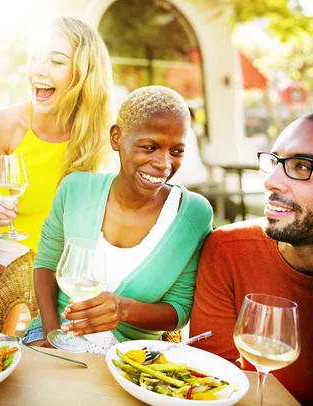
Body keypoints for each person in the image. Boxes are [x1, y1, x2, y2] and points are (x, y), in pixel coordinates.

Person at [0, 16, 114, 332]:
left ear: (82, 74)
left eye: (56, 61)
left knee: (10, 334)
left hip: (37, 240)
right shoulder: (4, 124)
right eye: (34, 58)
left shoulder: (98, 136)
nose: (38, 70)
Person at [26, 86, 213, 353]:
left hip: (129, 353)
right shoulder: (76, 189)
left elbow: (180, 310)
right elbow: (46, 263)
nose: (163, 163)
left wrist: (123, 310)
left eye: (177, 151)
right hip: (54, 330)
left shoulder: (193, 215)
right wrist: (51, 334)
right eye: (150, 147)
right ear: (117, 138)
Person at [189, 113, 313, 405]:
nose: (272, 181)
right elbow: (211, 383)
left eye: (301, 166)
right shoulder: (229, 250)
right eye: (275, 161)